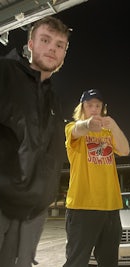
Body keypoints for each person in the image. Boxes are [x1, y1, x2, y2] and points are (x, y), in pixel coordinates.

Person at [0, 16, 72, 267]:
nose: (53, 48)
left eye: (60, 45)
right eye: (45, 40)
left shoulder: (53, 99)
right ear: (30, 44)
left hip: (32, 212)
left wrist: (45, 197)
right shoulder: (5, 73)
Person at [63, 89, 130, 267]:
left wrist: (113, 126)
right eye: (89, 105)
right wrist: (87, 125)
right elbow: (77, 129)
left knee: (109, 262)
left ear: (102, 108)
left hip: (111, 207)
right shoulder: (72, 128)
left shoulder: (108, 134)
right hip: (82, 207)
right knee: (76, 262)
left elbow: (125, 150)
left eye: (98, 105)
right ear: (82, 108)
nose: (94, 109)